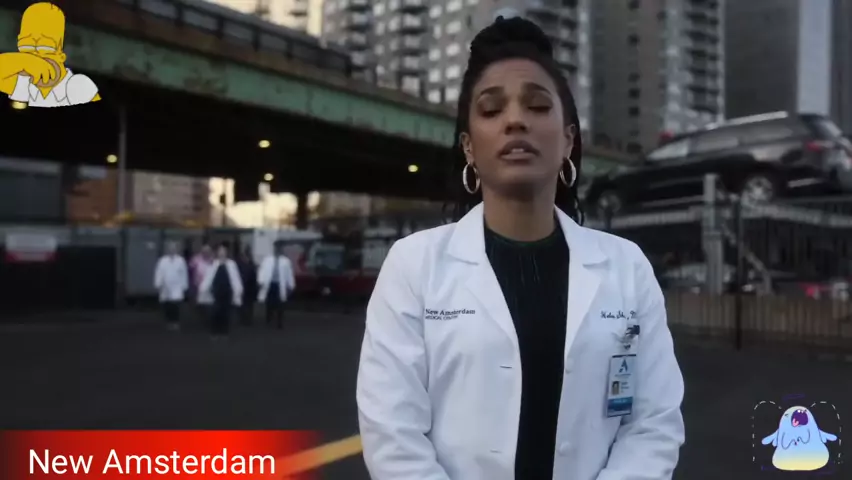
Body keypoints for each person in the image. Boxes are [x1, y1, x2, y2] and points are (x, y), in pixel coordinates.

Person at [356, 17, 684, 480]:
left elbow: (653, 423)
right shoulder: (413, 266)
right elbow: (393, 435)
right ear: (469, 148)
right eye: (491, 110)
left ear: (568, 138)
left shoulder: (627, 267)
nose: (515, 120)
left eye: (537, 105)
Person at [198, 243, 243, 339]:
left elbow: (236, 278)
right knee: (215, 312)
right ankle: (214, 332)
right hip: (216, 292)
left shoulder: (231, 264)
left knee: (226, 312)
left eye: (224, 251)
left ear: (227, 252)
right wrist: (203, 288)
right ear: (217, 253)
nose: (222, 253)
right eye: (220, 251)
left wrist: (238, 289)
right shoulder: (213, 264)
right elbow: (208, 277)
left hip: (228, 292)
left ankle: (224, 332)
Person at [257, 241, 296, 329]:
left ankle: (279, 321)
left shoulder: (286, 261)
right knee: (269, 302)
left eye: (279, 248)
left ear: (281, 249)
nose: (277, 249)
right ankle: (269, 317)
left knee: (280, 303)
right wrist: (260, 281)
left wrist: (291, 285)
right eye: (276, 247)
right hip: (270, 284)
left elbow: (289, 274)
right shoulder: (267, 259)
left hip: (280, 284)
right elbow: (262, 271)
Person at [153, 240, 188, 331]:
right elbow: (159, 273)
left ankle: (175, 322)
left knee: (176, 305)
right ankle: (169, 322)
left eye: (174, 248)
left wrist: (184, 286)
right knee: (167, 305)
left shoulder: (181, 260)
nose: (172, 250)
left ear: (176, 249)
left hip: (177, 286)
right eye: (170, 248)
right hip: (165, 286)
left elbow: (184, 274)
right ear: (167, 249)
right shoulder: (162, 260)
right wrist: (158, 284)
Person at [237, 247, 258, 326]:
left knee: (248, 304)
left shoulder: (249, 265)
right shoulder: (242, 265)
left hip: (249, 287)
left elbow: (254, 277)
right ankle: (245, 319)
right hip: (245, 287)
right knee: (244, 304)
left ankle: (247, 319)